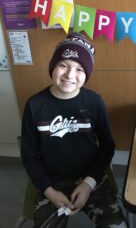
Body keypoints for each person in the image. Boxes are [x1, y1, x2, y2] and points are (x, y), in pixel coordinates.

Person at [21, 32, 127, 228]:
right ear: (53, 66)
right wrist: (48, 191)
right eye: (63, 65)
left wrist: (88, 183)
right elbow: (28, 155)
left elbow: (107, 147)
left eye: (79, 69)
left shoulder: (94, 102)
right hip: (51, 182)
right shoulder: (35, 105)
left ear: (87, 74)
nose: (70, 75)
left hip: (90, 178)